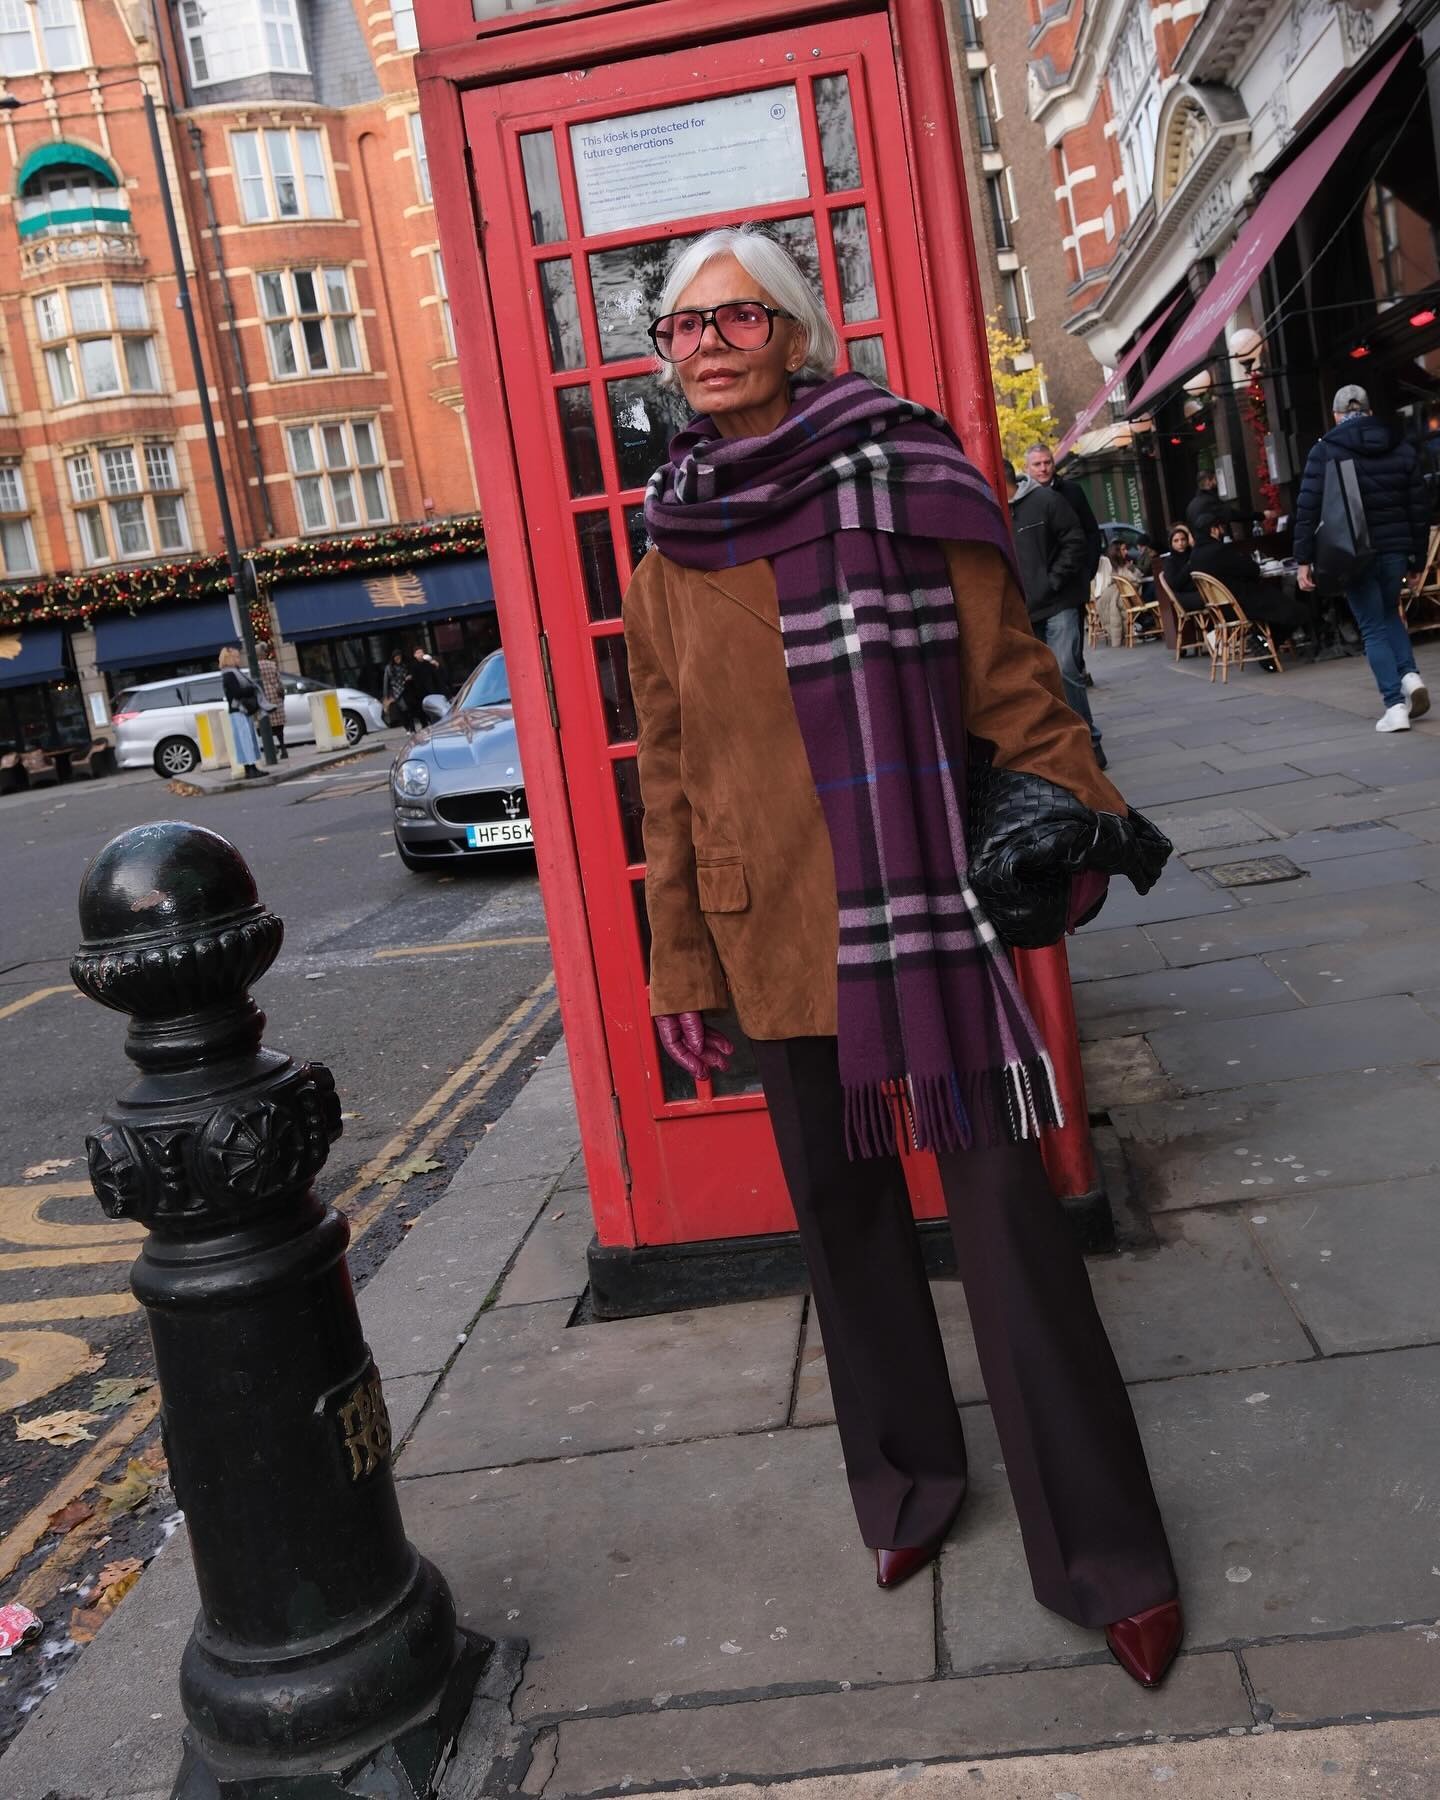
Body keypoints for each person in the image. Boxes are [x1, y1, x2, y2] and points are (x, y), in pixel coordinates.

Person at [626, 224, 1182, 1690]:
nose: (708, 343)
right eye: (682, 328)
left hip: (919, 913)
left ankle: (1107, 1552)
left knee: (1011, 1232)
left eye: (737, 316)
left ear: (797, 331)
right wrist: (679, 967)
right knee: (842, 1230)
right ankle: (907, 1486)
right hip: (766, 925)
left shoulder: (906, 471)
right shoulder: (668, 533)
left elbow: (1012, 681)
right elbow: (668, 771)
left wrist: (1083, 817)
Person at [1294, 384, 1431, 733]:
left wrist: (1304, 558)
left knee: (1371, 626)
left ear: (1337, 416)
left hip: (1353, 552)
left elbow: (1308, 507)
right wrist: (1417, 560)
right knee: (1388, 613)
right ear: (1369, 412)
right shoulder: (1399, 446)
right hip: (1396, 549)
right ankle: (1410, 676)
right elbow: (1419, 507)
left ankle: (1394, 706)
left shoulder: (1326, 450)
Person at [1005, 460, 1106, 768]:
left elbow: (1075, 540)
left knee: (1065, 669)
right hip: (1025, 609)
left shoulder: (1046, 501)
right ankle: (1064, 747)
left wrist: (1054, 580)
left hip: (1058, 601)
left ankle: (1090, 742)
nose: (1045, 467)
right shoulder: (992, 511)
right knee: (1041, 679)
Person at [1024, 441, 1102, 687]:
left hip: (1071, 583)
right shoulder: (1023, 499)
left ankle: (1075, 676)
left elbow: (1090, 532)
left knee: (1071, 645)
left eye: (1047, 462)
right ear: (1027, 468)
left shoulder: (1072, 491)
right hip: (1037, 587)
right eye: (1037, 464)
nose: (1043, 468)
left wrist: (1088, 569)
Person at [1191, 518, 1312, 657]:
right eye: (1220, 527)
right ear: (1213, 530)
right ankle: (1267, 642)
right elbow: (1252, 570)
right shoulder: (1219, 551)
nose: (1223, 531)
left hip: (1221, 609)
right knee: (1298, 610)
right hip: (1243, 603)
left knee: (1281, 605)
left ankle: (1263, 639)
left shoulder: (1195, 556)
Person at [218, 646, 262, 779]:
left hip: (240, 710)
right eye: (236, 656)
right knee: (245, 739)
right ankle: (251, 768)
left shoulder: (232, 672)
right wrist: (251, 689)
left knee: (245, 739)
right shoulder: (230, 674)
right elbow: (236, 693)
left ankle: (251, 768)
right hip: (239, 710)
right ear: (230, 658)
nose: (239, 659)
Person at [255, 640, 287, 760]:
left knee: (264, 726)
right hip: (275, 697)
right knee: (279, 727)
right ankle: (283, 748)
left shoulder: (255, 666)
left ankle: (271, 747)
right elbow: (279, 681)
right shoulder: (272, 665)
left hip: (263, 698)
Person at [1159, 524, 1203, 611]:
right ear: (1171, 543)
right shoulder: (1170, 561)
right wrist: (1188, 566)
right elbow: (1175, 584)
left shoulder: (1193, 554)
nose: (1180, 543)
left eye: (1183, 539)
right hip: (1183, 596)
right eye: (1176, 540)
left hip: (1200, 590)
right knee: (1209, 597)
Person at [383, 649, 426, 733]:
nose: (398, 660)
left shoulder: (405, 665)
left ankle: (414, 727)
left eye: (399, 658)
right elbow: (386, 681)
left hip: (407, 689)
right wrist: (386, 696)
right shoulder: (389, 668)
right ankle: (409, 727)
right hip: (397, 692)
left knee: (411, 709)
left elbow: (413, 673)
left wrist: (410, 677)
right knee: (404, 710)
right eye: (396, 658)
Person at [1185, 470, 1224, 540]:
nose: (1217, 482)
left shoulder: (1192, 504)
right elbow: (1228, 514)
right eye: (1215, 479)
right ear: (1208, 481)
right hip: (1212, 541)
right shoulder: (1210, 500)